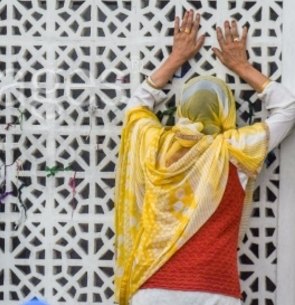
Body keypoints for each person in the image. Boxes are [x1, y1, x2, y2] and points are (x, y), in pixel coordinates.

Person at [114, 10, 295, 305]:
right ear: (226, 112)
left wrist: (175, 58)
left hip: (152, 289)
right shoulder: (235, 150)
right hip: (214, 290)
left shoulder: (155, 146)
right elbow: (288, 108)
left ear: (182, 109)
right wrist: (242, 66)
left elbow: (136, 108)